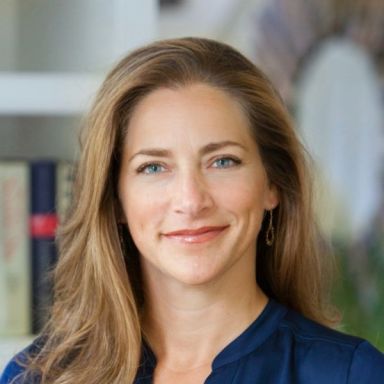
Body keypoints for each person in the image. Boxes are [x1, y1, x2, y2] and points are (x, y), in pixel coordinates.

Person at [1, 37, 384, 384]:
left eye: (222, 161)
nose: (190, 200)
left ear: (273, 184)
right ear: (115, 199)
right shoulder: (36, 376)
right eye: (153, 167)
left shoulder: (352, 374)